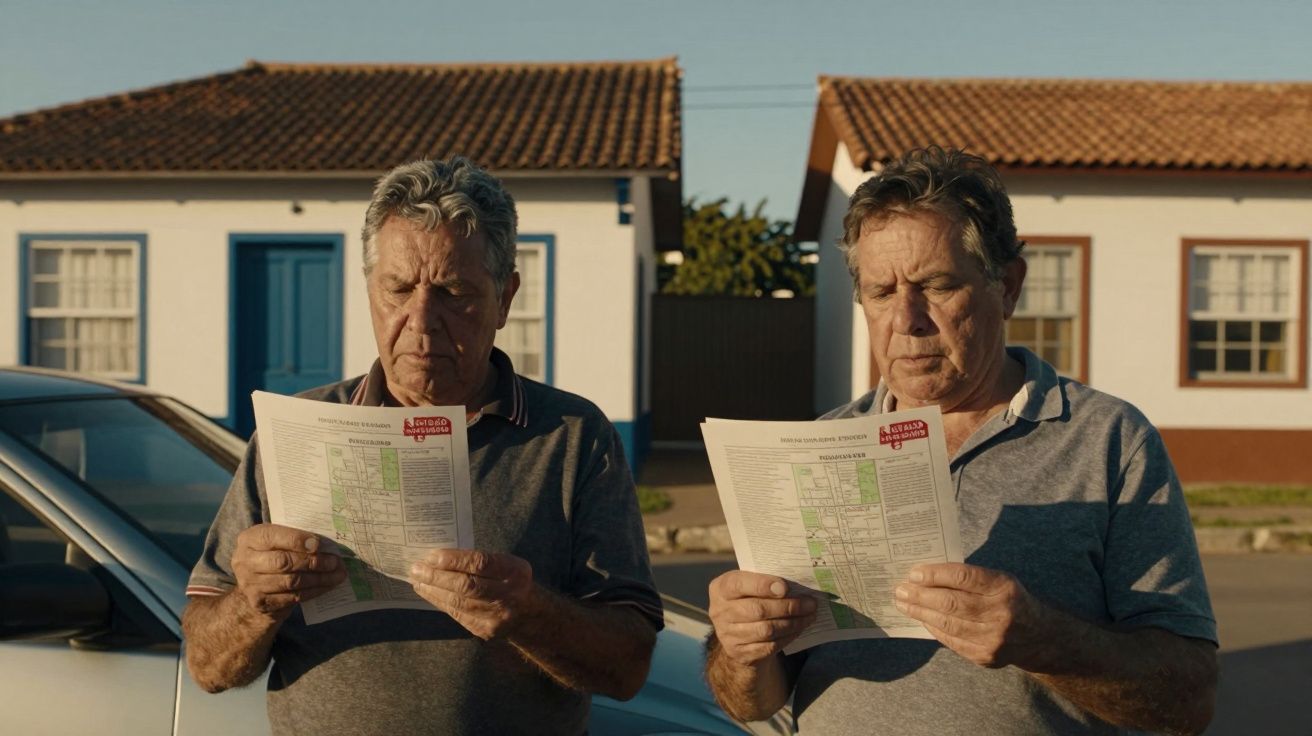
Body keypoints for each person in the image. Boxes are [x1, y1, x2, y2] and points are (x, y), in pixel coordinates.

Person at [704, 147, 1218, 735]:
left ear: (1008, 286)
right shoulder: (821, 446)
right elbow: (752, 703)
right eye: (880, 292)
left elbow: (1188, 700)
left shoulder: (1108, 440)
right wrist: (741, 651)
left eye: (937, 285)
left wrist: (1042, 641)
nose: (907, 319)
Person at [182, 157, 662, 735]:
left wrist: (528, 612)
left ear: (504, 298)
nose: (420, 320)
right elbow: (207, 666)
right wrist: (254, 604)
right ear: (369, 292)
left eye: (454, 292)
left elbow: (629, 667)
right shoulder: (296, 431)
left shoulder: (573, 437)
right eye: (399, 289)